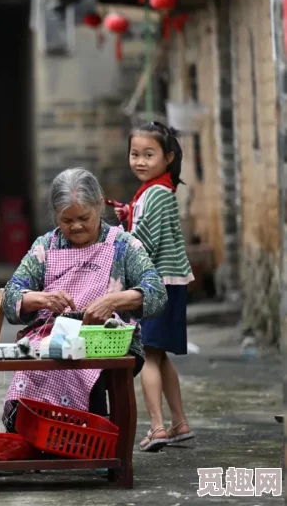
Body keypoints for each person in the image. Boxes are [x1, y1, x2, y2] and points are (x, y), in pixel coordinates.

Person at [1, 167, 167, 431]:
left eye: (84, 217)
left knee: (83, 366)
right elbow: (10, 297)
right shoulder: (46, 246)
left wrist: (113, 302)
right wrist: (40, 299)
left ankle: (94, 443)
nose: (76, 226)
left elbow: (157, 292)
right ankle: (37, 438)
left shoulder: (122, 245)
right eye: (66, 220)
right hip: (52, 338)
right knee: (37, 364)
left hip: (109, 342)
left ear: (99, 205)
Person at [115, 121, 195, 452]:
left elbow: (144, 241)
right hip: (171, 281)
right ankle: (179, 423)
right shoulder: (157, 191)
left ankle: (158, 427)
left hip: (156, 284)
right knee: (160, 355)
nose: (140, 161)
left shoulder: (156, 194)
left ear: (168, 157)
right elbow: (146, 226)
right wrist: (128, 215)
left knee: (147, 353)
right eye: (135, 154)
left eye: (149, 154)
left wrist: (117, 243)